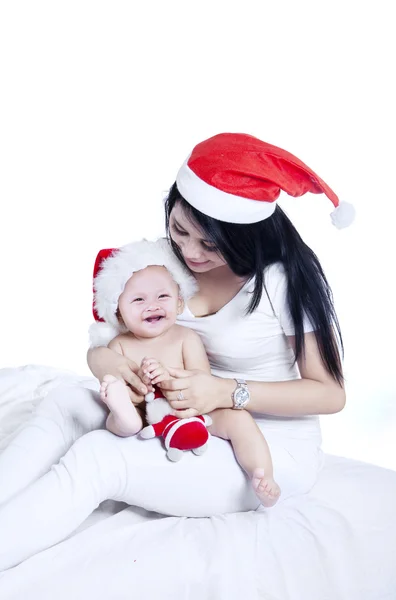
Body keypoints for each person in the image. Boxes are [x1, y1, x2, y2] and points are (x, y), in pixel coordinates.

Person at [0, 132, 353, 571]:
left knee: (99, 457)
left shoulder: (281, 281)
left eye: (210, 244)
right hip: (170, 408)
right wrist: (107, 363)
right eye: (180, 229)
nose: (189, 251)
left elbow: (330, 394)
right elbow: (104, 338)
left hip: (263, 442)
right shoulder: (165, 260)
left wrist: (224, 391)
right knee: (65, 403)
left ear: (246, 237)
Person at [93, 237, 281, 503]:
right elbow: (127, 386)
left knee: (239, 421)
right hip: (146, 413)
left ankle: (262, 474)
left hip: (190, 410)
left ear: (179, 303)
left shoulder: (185, 338)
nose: (152, 305)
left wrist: (167, 376)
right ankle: (125, 421)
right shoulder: (120, 345)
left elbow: (201, 381)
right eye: (138, 300)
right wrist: (139, 384)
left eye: (163, 296)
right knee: (121, 411)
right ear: (119, 313)